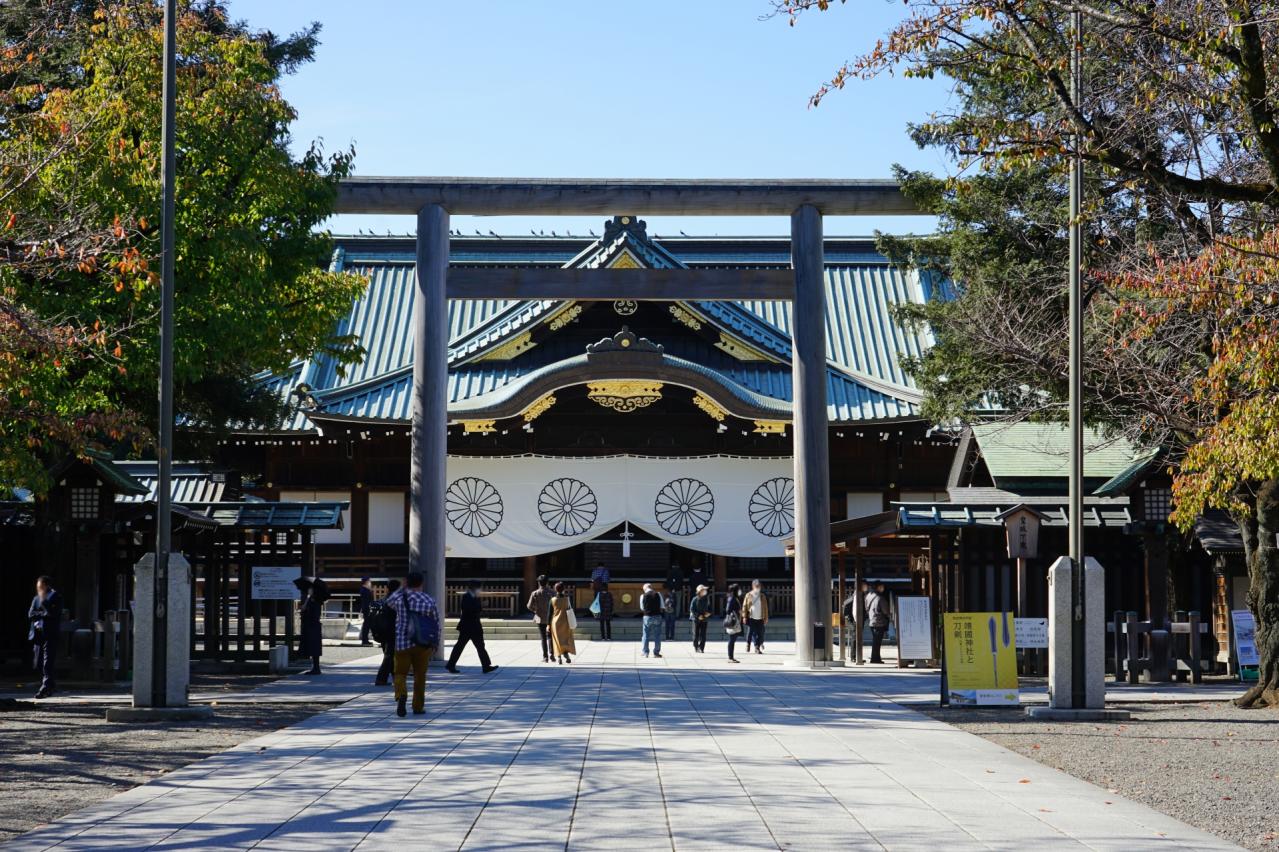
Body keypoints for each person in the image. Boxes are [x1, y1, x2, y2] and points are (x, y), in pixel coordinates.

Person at [386, 571, 438, 716]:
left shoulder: (400, 598)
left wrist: (402, 588)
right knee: (420, 676)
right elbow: (436, 622)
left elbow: (388, 603)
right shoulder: (429, 599)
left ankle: (401, 694)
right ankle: (418, 706)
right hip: (423, 642)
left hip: (403, 642)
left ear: (407, 583)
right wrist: (435, 642)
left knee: (400, 673)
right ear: (422, 583)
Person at [447, 579, 498, 674]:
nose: (480, 590)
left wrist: (480, 606)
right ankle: (451, 664)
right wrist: (481, 605)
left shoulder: (474, 596)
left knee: (480, 646)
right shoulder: (466, 597)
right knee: (460, 646)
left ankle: (486, 665)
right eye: (479, 588)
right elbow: (468, 610)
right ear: (475, 588)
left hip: (474, 626)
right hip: (467, 626)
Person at [28, 575, 62, 698]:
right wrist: (43, 614)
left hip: (50, 633)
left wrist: (44, 603)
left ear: (47, 586)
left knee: (48, 661)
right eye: (38, 586)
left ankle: (45, 687)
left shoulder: (56, 597)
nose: (39, 588)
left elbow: (54, 614)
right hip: (37, 633)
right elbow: (30, 614)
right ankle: (51, 685)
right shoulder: (36, 598)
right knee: (38, 661)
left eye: (41, 586)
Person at [294, 576, 328, 675]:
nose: (308, 590)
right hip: (311, 626)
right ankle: (315, 667)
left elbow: (313, 614)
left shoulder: (315, 601)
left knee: (314, 647)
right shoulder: (311, 600)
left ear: (313, 590)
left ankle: (316, 668)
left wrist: (305, 610)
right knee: (312, 647)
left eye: (309, 588)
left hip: (313, 625)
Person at [371, 579, 400, 686]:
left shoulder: (383, 599)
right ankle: (381, 678)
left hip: (381, 630)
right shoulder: (395, 600)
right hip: (391, 630)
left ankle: (394, 677)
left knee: (389, 654)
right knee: (389, 655)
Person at [527, 575, 554, 662]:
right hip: (551, 618)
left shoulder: (535, 593)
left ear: (539, 583)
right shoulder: (553, 593)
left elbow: (529, 606)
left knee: (543, 637)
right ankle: (552, 655)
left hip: (539, 617)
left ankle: (545, 657)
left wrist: (535, 610)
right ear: (547, 582)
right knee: (550, 636)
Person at [549, 582, 576, 664]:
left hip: (555, 622)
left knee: (557, 640)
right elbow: (570, 609)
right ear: (563, 589)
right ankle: (566, 655)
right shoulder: (567, 599)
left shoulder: (553, 600)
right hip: (566, 621)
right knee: (565, 639)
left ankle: (559, 657)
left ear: (555, 589)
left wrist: (548, 624)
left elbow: (549, 613)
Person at [865, 582, 891, 664]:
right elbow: (885, 610)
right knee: (877, 642)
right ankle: (875, 659)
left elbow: (866, 608)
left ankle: (875, 657)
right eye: (882, 587)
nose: (883, 589)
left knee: (875, 641)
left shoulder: (868, 596)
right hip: (879, 621)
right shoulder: (880, 598)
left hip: (872, 620)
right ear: (878, 587)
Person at [742, 579, 769, 654]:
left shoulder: (762, 596)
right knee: (750, 632)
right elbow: (744, 606)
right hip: (751, 616)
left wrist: (766, 618)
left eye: (759, 586)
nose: (758, 587)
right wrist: (744, 616)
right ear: (753, 586)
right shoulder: (748, 595)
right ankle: (748, 644)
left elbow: (765, 607)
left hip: (760, 617)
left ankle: (757, 647)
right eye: (756, 586)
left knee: (760, 633)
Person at [640, 582, 664, 658]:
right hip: (657, 616)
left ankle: (645, 652)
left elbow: (642, 608)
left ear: (645, 589)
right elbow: (662, 606)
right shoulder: (658, 594)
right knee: (657, 636)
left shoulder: (643, 596)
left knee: (646, 635)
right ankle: (656, 653)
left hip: (647, 616)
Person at [723, 583, 743, 663]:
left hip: (736, 619)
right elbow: (728, 610)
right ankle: (730, 657)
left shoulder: (734, 598)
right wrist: (736, 612)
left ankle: (731, 657)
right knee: (732, 639)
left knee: (733, 639)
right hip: (733, 620)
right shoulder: (732, 598)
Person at [689, 584, 712, 653]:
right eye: (703, 590)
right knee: (696, 634)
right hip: (696, 619)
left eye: (705, 590)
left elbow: (710, 608)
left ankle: (701, 648)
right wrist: (698, 615)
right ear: (699, 591)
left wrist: (707, 614)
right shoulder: (695, 599)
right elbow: (692, 609)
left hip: (704, 619)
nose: (705, 591)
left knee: (703, 635)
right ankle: (696, 647)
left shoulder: (707, 599)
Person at [358, 577, 375, 646]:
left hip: (367, 608)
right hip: (367, 609)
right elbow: (367, 601)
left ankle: (365, 640)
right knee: (366, 625)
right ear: (366, 582)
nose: (370, 583)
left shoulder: (365, 590)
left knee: (367, 625)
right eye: (369, 581)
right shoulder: (364, 590)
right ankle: (365, 640)